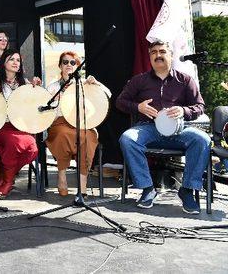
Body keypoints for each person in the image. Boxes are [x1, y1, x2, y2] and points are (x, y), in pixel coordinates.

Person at [117, 40, 209, 214]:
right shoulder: (139, 80)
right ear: (150, 57)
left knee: (202, 139)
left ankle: (187, 190)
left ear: (171, 55)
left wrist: (183, 110)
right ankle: (147, 188)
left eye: (162, 51)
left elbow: (200, 107)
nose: (158, 55)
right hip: (148, 128)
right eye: (153, 53)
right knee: (127, 139)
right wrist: (138, 107)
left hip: (179, 130)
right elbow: (120, 102)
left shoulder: (185, 80)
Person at [45, 51, 110, 196]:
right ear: (60, 66)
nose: (69, 65)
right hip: (60, 123)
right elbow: (45, 111)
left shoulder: (84, 84)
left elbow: (108, 94)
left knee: (87, 137)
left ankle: (83, 183)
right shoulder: (53, 88)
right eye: (65, 62)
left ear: (78, 66)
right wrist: (59, 102)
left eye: (72, 62)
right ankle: (62, 176)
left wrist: (96, 84)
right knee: (62, 134)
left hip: (82, 123)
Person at [0, 49, 40, 199]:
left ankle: (5, 176)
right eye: (12, 59)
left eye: (18, 60)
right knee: (15, 141)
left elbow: (36, 106)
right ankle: (8, 182)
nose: (16, 62)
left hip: (20, 127)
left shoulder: (26, 84)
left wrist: (36, 90)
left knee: (33, 149)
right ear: (4, 63)